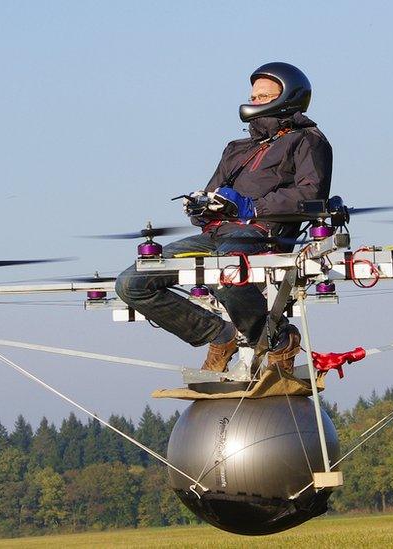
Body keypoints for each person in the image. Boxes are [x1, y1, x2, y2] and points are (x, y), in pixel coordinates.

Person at [115, 62, 332, 374]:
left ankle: (279, 339)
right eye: (253, 96)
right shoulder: (237, 148)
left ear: (287, 98)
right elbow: (215, 192)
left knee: (226, 270)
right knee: (132, 283)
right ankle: (219, 335)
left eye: (262, 97)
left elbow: (311, 197)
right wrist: (202, 207)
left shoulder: (307, 141)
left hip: (264, 234)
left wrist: (251, 207)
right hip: (215, 237)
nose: (253, 101)